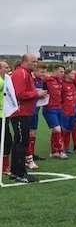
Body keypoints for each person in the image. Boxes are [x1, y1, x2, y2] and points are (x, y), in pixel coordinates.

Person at [9, 54, 47, 182]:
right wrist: (36, 93)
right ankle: (20, 173)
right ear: (25, 61)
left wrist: (36, 94)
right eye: (33, 61)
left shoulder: (26, 73)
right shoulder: (21, 73)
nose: (36, 63)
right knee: (21, 143)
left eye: (36, 61)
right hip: (20, 113)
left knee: (20, 142)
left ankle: (15, 171)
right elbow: (19, 94)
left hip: (25, 112)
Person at [25, 63, 47, 169]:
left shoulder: (40, 81)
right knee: (28, 134)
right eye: (42, 72)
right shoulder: (30, 80)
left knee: (33, 134)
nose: (44, 74)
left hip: (35, 111)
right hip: (28, 112)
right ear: (35, 71)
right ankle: (27, 159)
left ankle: (31, 155)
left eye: (45, 72)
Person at [43, 66, 66, 158]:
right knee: (57, 129)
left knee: (57, 130)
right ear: (54, 71)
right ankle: (61, 151)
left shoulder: (60, 81)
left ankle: (54, 151)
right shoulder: (47, 80)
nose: (62, 74)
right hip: (50, 109)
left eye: (63, 72)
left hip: (59, 108)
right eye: (61, 72)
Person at [1, 61, 15, 176]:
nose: (8, 69)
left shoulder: (7, 79)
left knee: (7, 140)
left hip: (4, 114)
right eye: (6, 67)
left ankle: (5, 166)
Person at [61, 68, 76, 154]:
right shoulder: (62, 84)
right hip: (65, 111)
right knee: (63, 130)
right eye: (72, 74)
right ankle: (61, 148)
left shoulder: (73, 84)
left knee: (69, 130)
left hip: (73, 111)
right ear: (67, 74)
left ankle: (67, 148)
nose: (74, 76)